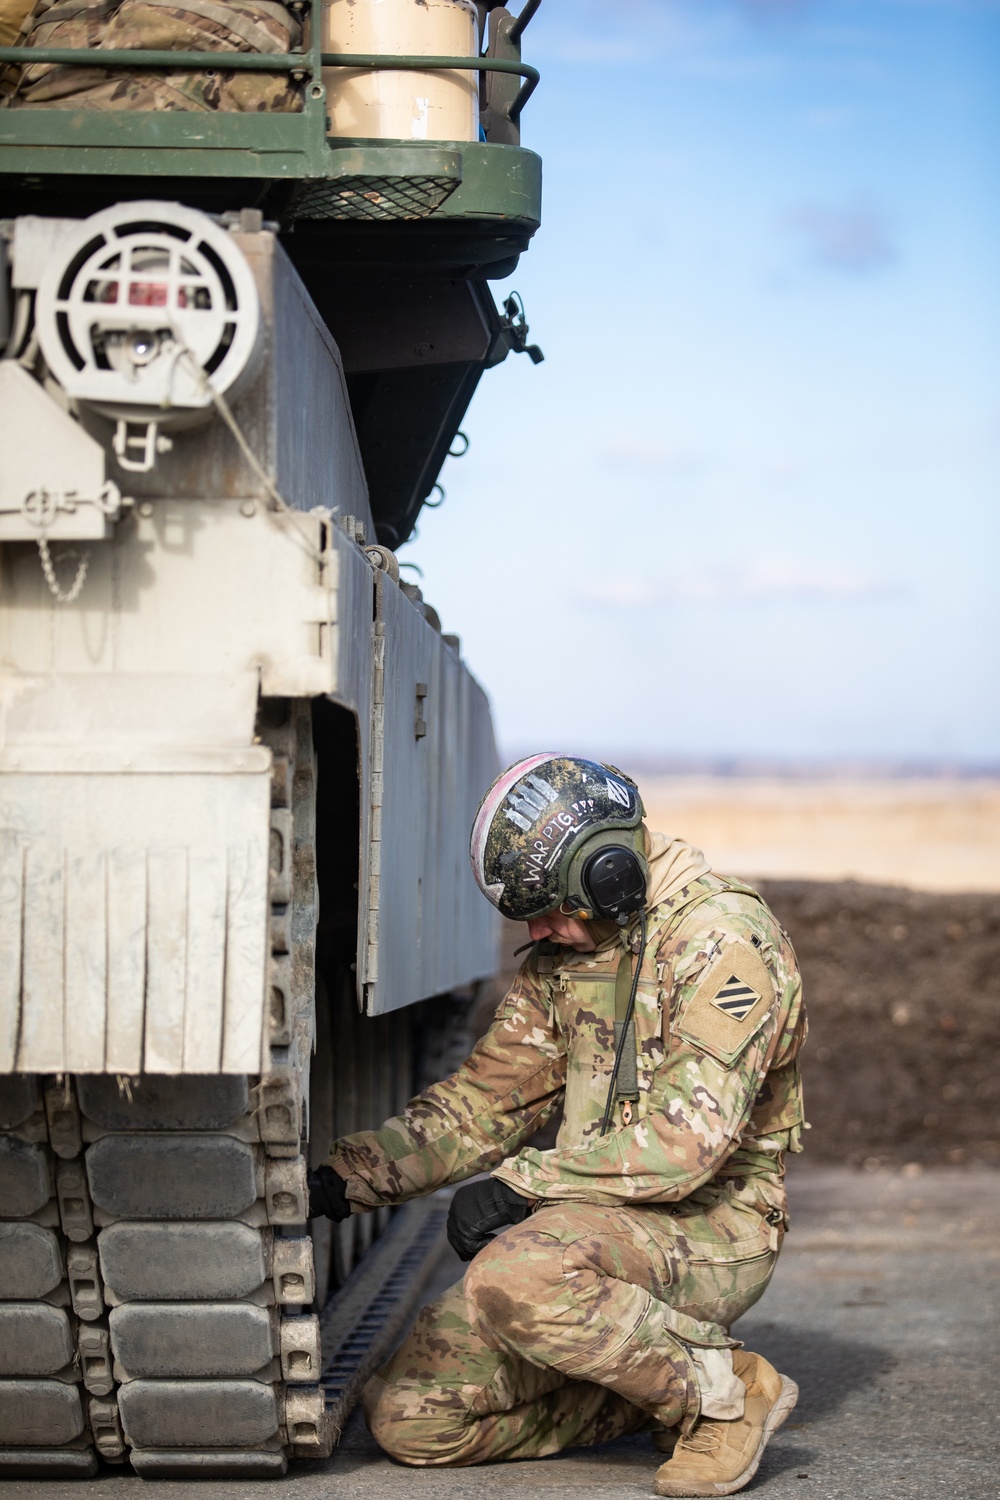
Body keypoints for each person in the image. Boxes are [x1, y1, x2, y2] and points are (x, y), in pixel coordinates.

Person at [309, 754, 807, 1496]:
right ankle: (649, 1388)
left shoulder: (724, 945)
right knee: (415, 1419)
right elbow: (484, 1103)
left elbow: (685, 1145)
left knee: (519, 1271)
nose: (539, 929)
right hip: (594, 1221)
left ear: (610, 874)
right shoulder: (570, 956)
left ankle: (725, 1394)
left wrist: (521, 1185)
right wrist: (340, 1180)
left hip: (712, 1224)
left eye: (549, 907)